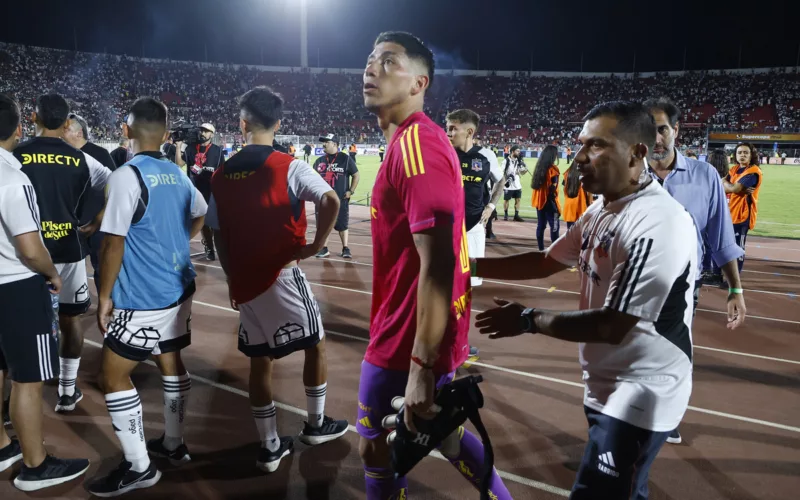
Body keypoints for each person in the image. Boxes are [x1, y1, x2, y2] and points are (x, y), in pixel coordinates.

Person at [472, 101, 697, 499]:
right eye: (580, 145)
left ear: (636, 153)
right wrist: (465, 267)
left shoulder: (658, 223)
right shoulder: (605, 206)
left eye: (595, 146)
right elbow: (546, 261)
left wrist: (527, 318)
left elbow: (612, 324)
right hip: (609, 380)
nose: (578, 158)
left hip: (643, 387)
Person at [358, 31, 512, 500]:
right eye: (370, 60)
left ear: (419, 82)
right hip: (419, 330)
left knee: (376, 451)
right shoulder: (411, 143)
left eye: (389, 62)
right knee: (442, 434)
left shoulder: (417, 146)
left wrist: (421, 365)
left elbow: (439, 263)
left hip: (406, 338)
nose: (371, 68)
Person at [207, 86, 349, 474]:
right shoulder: (290, 165)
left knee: (259, 360)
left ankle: (270, 446)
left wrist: (231, 277)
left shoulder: (221, 174)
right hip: (283, 274)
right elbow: (331, 200)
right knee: (316, 345)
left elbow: (216, 233)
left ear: (241, 124)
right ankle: (317, 425)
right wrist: (316, 245)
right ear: (279, 124)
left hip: (245, 281)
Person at [87, 98, 207, 496]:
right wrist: (177, 241)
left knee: (112, 375)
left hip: (144, 295)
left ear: (126, 130)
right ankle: (173, 443)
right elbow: (201, 211)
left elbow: (113, 244)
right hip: (179, 286)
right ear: (167, 134)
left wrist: (104, 296)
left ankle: (139, 467)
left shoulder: (126, 176)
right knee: (170, 360)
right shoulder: (176, 173)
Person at [0, 93, 91, 492]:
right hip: (17, 287)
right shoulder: (12, 177)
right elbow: (30, 247)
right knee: (29, 378)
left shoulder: (20, 162)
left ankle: (3, 446)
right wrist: (52, 274)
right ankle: (36, 467)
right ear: (19, 126)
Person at [644, 98, 747, 445]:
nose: (655, 138)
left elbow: (721, 237)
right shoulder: (627, 175)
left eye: (661, 129)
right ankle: (631, 417)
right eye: (648, 130)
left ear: (675, 130)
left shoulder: (704, 177)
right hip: (633, 281)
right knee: (631, 349)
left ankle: (666, 415)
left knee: (674, 349)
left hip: (685, 285)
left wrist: (735, 289)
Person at [14, 93, 112, 414]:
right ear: (67, 123)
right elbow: (119, 185)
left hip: (25, 253)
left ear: (33, 118)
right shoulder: (81, 159)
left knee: (20, 322)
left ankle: (17, 397)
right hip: (68, 251)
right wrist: (98, 219)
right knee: (71, 319)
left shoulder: (15, 155)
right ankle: (67, 392)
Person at [63, 113, 117, 295]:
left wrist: (98, 220)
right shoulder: (63, 155)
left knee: (102, 267)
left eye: (66, 129)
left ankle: (107, 303)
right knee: (70, 269)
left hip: (98, 225)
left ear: (78, 133)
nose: (61, 133)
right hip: (73, 225)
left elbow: (115, 189)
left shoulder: (99, 154)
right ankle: (75, 304)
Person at [176, 122, 222, 261]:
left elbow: (222, 170)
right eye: (201, 130)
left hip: (212, 189)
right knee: (202, 220)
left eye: (206, 131)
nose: (203, 133)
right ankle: (209, 246)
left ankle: (215, 245)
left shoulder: (217, 150)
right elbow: (179, 163)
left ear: (212, 134)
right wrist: (178, 147)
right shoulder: (191, 148)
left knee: (213, 222)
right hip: (195, 189)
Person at [313, 133, 360, 259]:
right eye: (323, 142)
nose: (324, 144)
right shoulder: (319, 161)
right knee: (323, 224)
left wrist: (351, 190)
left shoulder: (345, 159)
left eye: (326, 142)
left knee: (342, 224)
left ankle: (345, 248)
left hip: (340, 199)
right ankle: (324, 248)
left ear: (334, 144)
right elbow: (312, 179)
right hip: (323, 200)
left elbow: (356, 175)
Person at [722, 142, 762, 277]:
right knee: (726, 246)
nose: (742, 155)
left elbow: (736, 189)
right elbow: (723, 183)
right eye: (739, 152)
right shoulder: (734, 169)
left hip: (742, 215)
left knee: (738, 248)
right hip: (730, 214)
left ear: (751, 155)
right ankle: (727, 273)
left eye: (745, 152)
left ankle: (735, 277)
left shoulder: (753, 172)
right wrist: (731, 186)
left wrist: (729, 186)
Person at [530, 144, 562, 251]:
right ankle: (555, 251)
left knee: (541, 226)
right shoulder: (553, 169)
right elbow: (553, 188)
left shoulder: (539, 168)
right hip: (550, 202)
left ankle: (541, 249)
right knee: (555, 226)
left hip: (540, 202)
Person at [562, 161, 591, 230]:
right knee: (580, 232)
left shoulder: (567, 173)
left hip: (569, 205)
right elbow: (589, 192)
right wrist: (589, 204)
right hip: (580, 205)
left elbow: (564, 188)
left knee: (570, 231)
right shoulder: (584, 174)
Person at [502, 145, 527, 221]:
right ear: (512, 151)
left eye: (519, 151)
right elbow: (501, 172)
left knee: (518, 199)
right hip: (508, 184)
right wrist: (506, 178)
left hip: (517, 184)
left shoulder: (519, 161)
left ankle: (516, 215)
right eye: (517, 151)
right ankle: (506, 214)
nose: (519, 153)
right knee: (506, 200)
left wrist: (524, 169)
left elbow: (522, 172)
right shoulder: (505, 161)